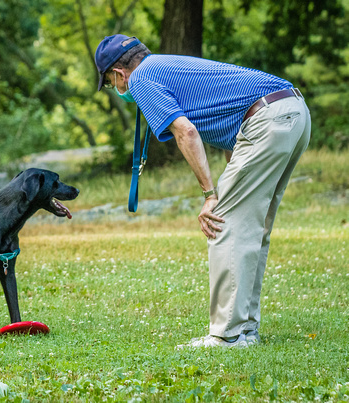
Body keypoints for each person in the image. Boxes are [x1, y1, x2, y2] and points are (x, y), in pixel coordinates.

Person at [94, 34, 311, 348]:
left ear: (117, 73)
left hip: (267, 119)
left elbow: (186, 131)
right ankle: (245, 330)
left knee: (222, 222)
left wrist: (211, 195)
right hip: (293, 111)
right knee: (251, 226)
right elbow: (234, 134)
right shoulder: (168, 66)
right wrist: (225, 187)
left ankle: (228, 335)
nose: (116, 89)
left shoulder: (141, 79)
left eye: (111, 84)